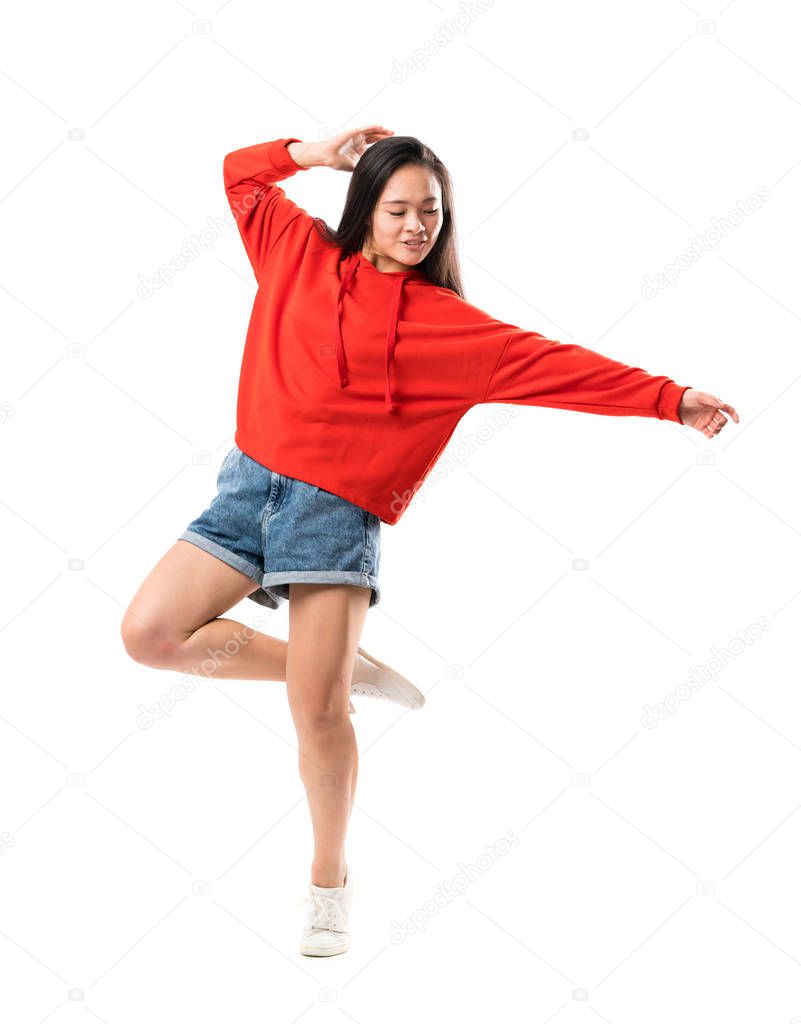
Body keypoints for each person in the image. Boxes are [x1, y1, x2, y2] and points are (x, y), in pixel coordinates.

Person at [120, 124, 739, 959]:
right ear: (364, 211)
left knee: (316, 711)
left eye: (432, 212)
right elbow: (238, 177)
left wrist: (672, 398)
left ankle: (327, 886)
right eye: (398, 208)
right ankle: (342, 667)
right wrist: (313, 152)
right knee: (151, 636)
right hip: (245, 491)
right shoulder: (297, 255)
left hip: (333, 516)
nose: (417, 226)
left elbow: (565, 368)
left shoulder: (453, 329)